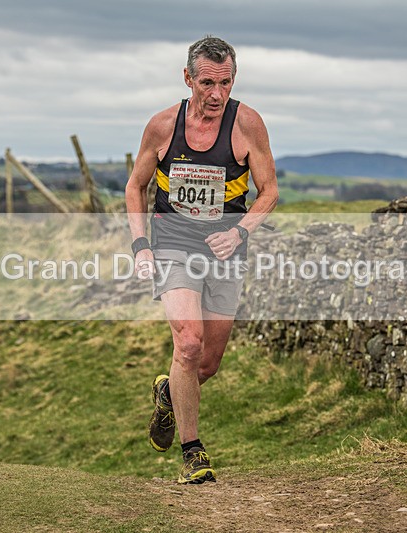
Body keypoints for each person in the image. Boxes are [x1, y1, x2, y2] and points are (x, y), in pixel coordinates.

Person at [125, 36, 278, 484]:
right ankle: (193, 452)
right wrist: (141, 245)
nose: (216, 94)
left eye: (225, 83)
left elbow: (268, 192)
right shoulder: (161, 126)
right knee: (187, 344)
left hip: (226, 249)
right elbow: (135, 187)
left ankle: (168, 394)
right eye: (207, 83)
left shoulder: (247, 124)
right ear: (188, 77)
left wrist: (238, 231)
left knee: (206, 363)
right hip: (173, 243)